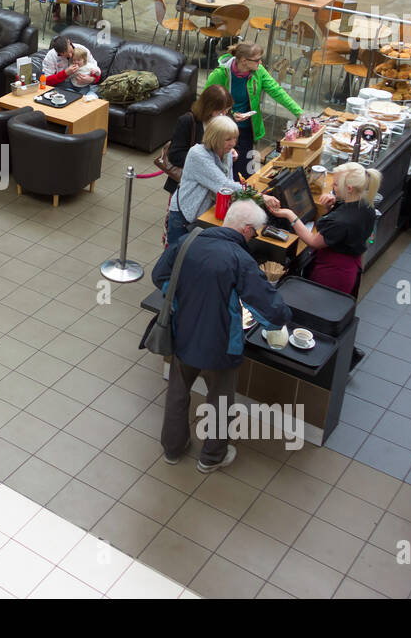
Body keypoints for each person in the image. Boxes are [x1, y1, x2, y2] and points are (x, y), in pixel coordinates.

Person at [155, 199, 292, 473]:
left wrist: (187, 297)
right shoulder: (240, 259)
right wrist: (285, 318)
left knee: (178, 392)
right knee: (219, 401)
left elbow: (160, 276)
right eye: (255, 233)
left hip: (183, 333)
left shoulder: (188, 241)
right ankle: (211, 457)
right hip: (221, 345)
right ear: (247, 230)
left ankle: (172, 448)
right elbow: (270, 307)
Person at [164, 114, 273, 249]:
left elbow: (230, 180)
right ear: (215, 138)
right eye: (228, 139)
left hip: (201, 216)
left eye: (235, 138)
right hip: (184, 217)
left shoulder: (225, 152)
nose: (233, 143)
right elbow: (224, 185)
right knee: (175, 259)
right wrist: (259, 196)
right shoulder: (198, 154)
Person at [274, 162, 381, 296]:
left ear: (349, 188)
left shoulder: (341, 221)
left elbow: (313, 241)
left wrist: (290, 215)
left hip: (333, 274)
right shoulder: (366, 205)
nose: (332, 186)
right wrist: (330, 208)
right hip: (350, 266)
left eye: (335, 184)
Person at [203, 41, 303, 175]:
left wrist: (299, 113)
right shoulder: (220, 74)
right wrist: (230, 116)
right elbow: (205, 103)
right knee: (225, 170)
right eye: (257, 60)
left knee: (245, 172)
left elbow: (277, 91)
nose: (260, 63)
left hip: (247, 129)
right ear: (244, 61)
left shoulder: (258, 71)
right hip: (224, 129)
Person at [156, 83, 233, 212]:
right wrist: (204, 159)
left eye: (227, 110)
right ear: (209, 108)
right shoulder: (187, 122)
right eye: (221, 111)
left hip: (210, 188)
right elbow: (175, 155)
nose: (225, 115)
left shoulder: (223, 122)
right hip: (186, 188)